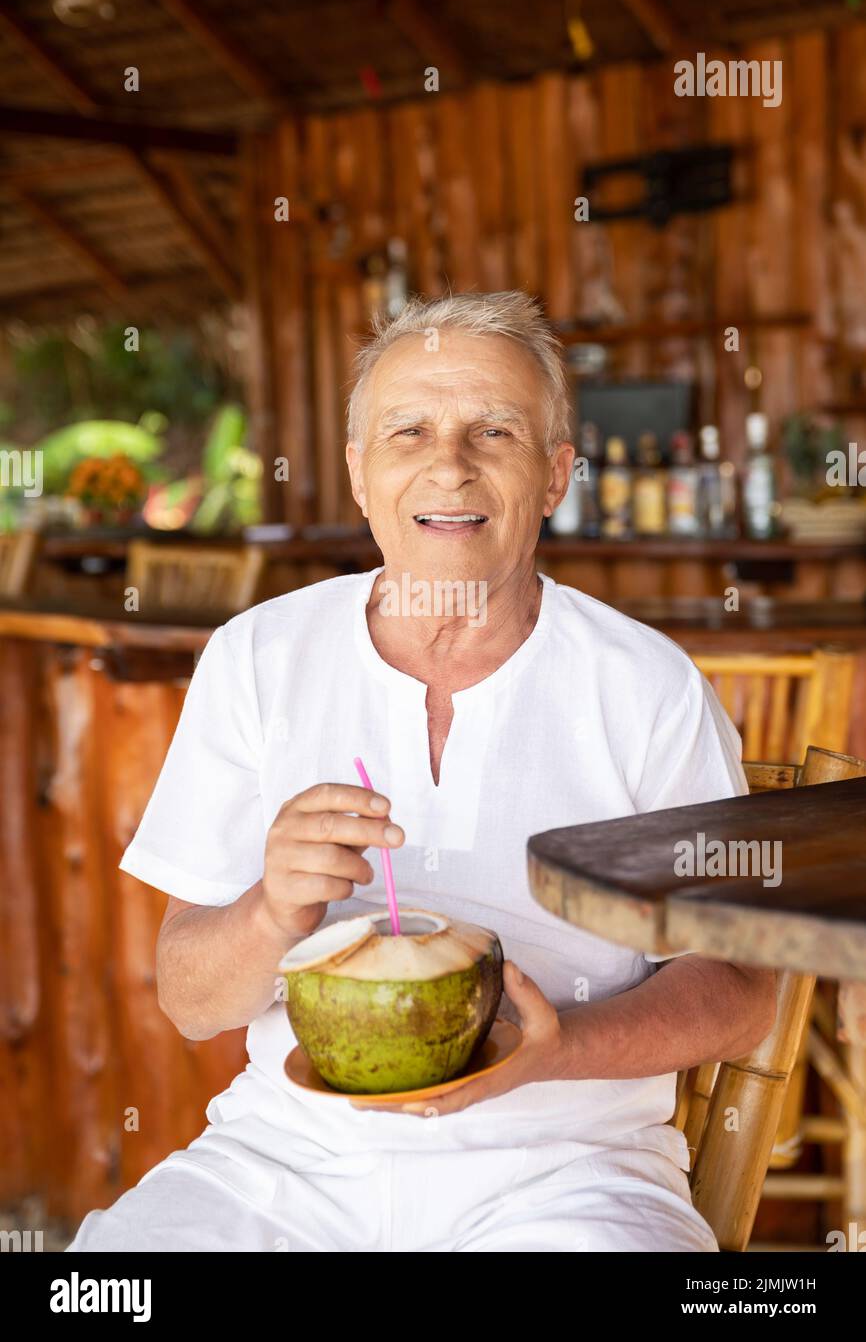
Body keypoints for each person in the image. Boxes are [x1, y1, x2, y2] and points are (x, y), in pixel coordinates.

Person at [67, 291, 775, 1253]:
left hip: (566, 1175)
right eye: (409, 431)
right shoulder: (256, 657)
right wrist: (271, 910)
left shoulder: (645, 686)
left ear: (557, 473)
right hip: (286, 1166)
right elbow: (190, 1000)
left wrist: (558, 1052)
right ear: (361, 474)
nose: (450, 464)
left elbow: (737, 991)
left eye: (495, 430)